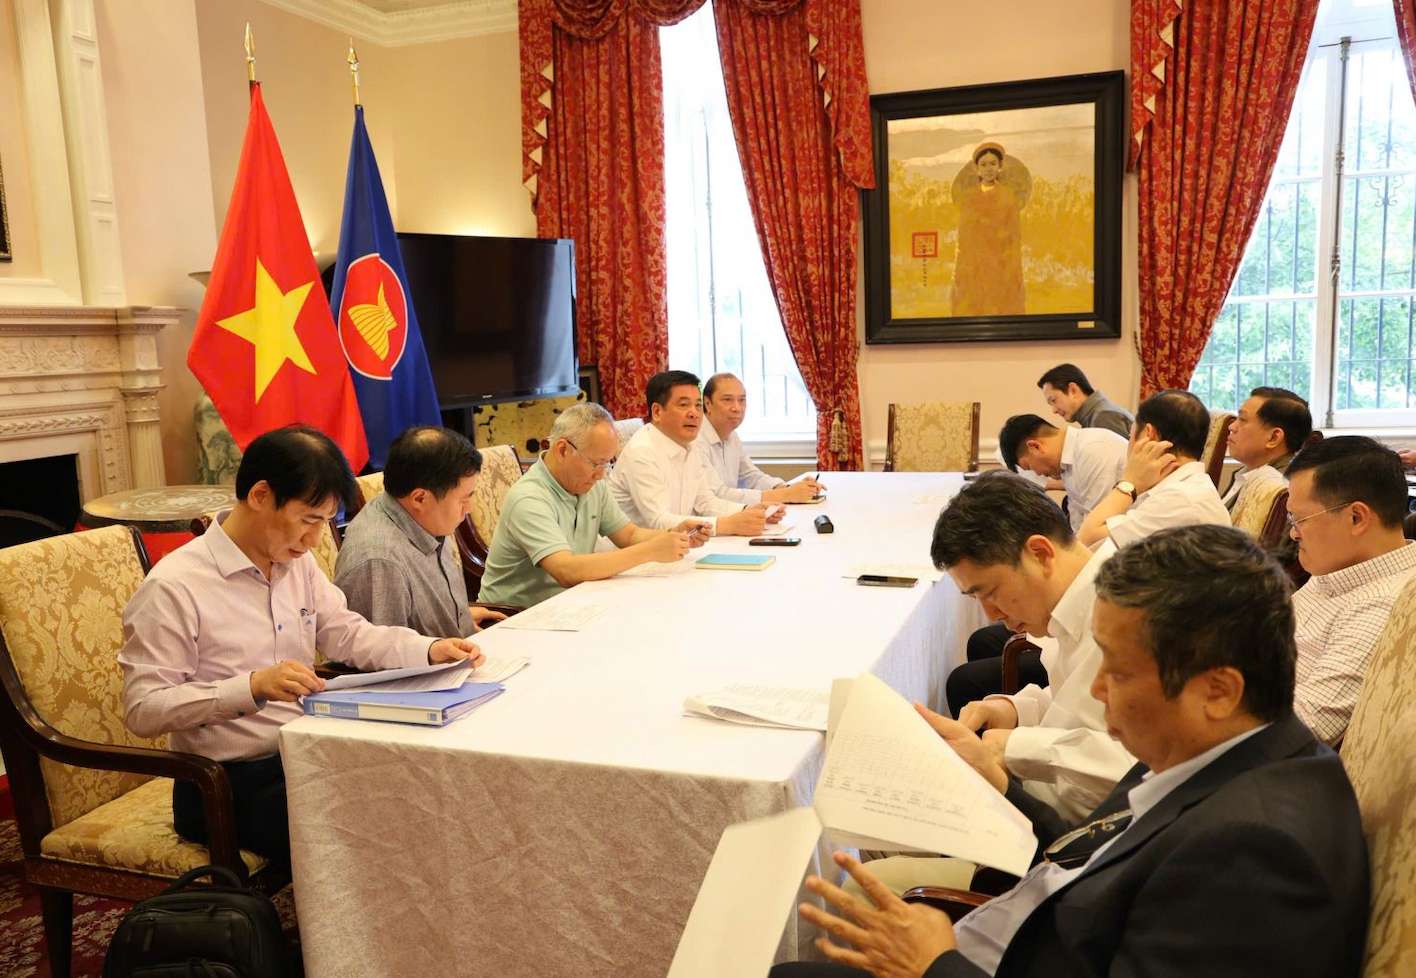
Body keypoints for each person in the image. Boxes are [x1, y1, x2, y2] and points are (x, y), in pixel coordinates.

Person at [774, 525, 1368, 978]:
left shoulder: (1253, 855)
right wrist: (1002, 784)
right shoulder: (1219, 747)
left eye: (1118, 669)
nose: (1098, 687)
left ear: (1216, 690)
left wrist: (934, 963)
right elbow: (1095, 852)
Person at [119, 427, 483, 866]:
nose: (314, 540)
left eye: (324, 523)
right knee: (378, 831)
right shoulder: (175, 586)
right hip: (225, 785)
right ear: (259, 495)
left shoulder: (295, 563)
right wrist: (250, 687)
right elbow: (143, 709)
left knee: (424, 790)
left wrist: (429, 649)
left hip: (303, 752)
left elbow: (347, 633)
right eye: (309, 520)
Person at [930, 474, 1134, 820]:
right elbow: (1072, 704)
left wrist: (1013, 747)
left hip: (1081, 839)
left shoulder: (1125, 617)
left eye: (990, 592)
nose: (991, 613)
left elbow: (1138, 768)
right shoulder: (1078, 599)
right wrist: (1014, 709)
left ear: (1040, 553)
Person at [479, 402, 709, 608]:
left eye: (607, 464)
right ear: (562, 450)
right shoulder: (529, 498)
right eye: (596, 463)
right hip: (514, 615)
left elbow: (628, 534)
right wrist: (650, 551)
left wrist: (672, 535)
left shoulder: (590, 484)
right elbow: (565, 570)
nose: (601, 474)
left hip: (571, 601)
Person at [1284, 435, 1416, 745]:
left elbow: (1303, 728)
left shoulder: (1384, 606)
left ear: (1356, 517)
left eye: (1299, 519)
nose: (1292, 533)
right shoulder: (1340, 566)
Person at [335, 426, 504, 634]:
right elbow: (386, 658)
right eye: (464, 499)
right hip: (439, 664)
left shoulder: (423, 516)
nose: (468, 509)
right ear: (419, 498)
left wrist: (458, 616)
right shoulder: (379, 560)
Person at [609, 370, 775, 536]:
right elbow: (658, 521)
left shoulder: (691, 444)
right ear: (657, 412)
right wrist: (728, 525)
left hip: (676, 545)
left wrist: (748, 510)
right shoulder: (642, 452)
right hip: (635, 553)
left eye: (697, 405)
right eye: (683, 405)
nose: (694, 413)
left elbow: (704, 501)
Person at [1076, 389, 1229, 548]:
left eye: (1130, 435)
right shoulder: (1179, 487)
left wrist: (1129, 482)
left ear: (1149, 435)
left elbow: (1086, 541)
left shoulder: (1180, 498)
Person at [698, 372, 822, 504]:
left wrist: (787, 488)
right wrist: (785, 494)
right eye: (727, 400)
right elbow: (718, 495)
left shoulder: (731, 435)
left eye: (742, 400)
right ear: (707, 403)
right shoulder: (696, 439)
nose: (737, 408)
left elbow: (751, 477)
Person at [998, 414, 1127, 532]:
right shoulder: (1066, 464)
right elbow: (1078, 524)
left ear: (1035, 447)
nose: (1037, 474)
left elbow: (1098, 526)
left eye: (1029, 467)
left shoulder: (1092, 451)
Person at [951, 143, 1027, 317]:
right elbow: (964, 233)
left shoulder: (1008, 197)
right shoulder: (969, 198)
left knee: (1001, 300)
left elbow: (1014, 234)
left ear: (1000, 166)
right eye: (983, 165)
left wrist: (1009, 260)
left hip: (1000, 258)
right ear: (977, 169)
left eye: (993, 164)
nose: (988, 169)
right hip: (974, 259)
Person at [1222, 386, 1311, 510]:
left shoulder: (1279, 491)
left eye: (1242, 419)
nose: (1231, 426)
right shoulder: (1248, 472)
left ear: (1273, 438)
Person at [1035, 364, 1133, 438]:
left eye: (1054, 400)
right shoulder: (1097, 415)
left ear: (1073, 390)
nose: (1054, 410)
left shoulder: (1103, 416)